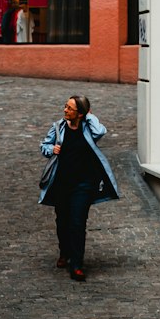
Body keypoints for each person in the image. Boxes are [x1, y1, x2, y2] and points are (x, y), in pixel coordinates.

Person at [39, 95, 119, 281]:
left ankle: (76, 264)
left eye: (70, 108)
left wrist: (90, 116)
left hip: (84, 185)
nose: (65, 110)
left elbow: (100, 132)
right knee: (63, 221)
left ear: (80, 113)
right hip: (61, 183)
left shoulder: (88, 128)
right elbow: (44, 145)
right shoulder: (58, 127)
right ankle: (64, 252)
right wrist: (51, 150)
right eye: (65, 106)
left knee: (77, 223)